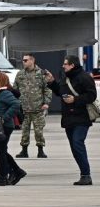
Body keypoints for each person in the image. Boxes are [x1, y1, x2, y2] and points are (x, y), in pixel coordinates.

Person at [45, 55, 96, 185]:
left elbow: (92, 95)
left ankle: (86, 175)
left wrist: (75, 99)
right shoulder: (66, 77)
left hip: (82, 117)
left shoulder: (84, 77)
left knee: (77, 142)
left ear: (72, 65)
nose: (63, 66)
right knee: (74, 147)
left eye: (65, 64)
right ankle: (84, 174)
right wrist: (51, 82)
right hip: (68, 118)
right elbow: (60, 92)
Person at [0, 71, 26, 186]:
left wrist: (4, 118)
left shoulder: (5, 93)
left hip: (4, 126)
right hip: (0, 126)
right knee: (1, 151)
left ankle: (4, 177)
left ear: (0, 81)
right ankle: (17, 171)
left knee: (1, 151)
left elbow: (16, 104)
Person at [14, 53, 52, 159]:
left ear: (32, 60)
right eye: (23, 60)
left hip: (38, 108)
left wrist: (46, 103)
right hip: (24, 109)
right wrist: (16, 103)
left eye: (26, 60)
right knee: (24, 131)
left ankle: (40, 150)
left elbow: (47, 89)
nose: (23, 62)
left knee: (39, 131)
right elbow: (15, 89)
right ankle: (24, 150)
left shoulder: (41, 74)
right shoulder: (20, 74)